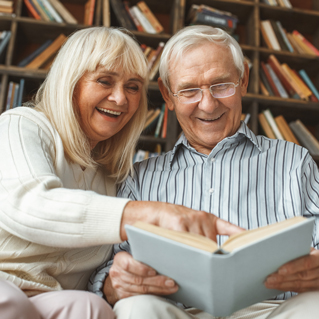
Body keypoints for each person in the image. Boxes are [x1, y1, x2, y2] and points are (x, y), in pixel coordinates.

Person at [0, 26, 241, 319]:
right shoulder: (22, 125)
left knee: (92, 309)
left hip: (47, 297)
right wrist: (149, 214)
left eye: (133, 86)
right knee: (10, 302)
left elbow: (105, 272)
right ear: (70, 82)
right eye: (104, 81)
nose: (120, 99)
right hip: (6, 283)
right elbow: (29, 205)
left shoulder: (112, 176)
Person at [89, 25, 319, 319]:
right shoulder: (139, 178)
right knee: (135, 307)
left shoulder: (293, 162)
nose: (208, 104)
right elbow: (106, 267)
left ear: (243, 80)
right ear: (167, 95)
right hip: (173, 312)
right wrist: (113, 284)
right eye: (189, 91)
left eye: (221, 85)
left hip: (275, 311)